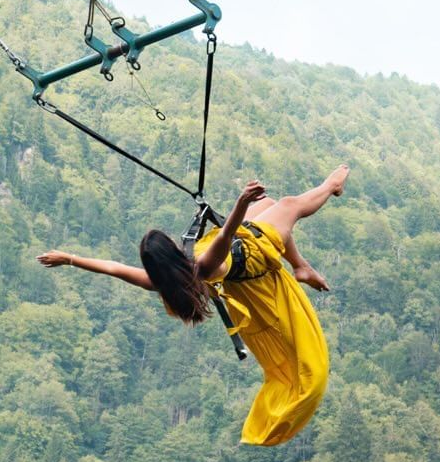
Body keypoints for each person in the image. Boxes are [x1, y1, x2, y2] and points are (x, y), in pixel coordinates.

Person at [40, 168, 348, 445]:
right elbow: (227, 234)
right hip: (253, 256)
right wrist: (241, 202)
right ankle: (329, 187)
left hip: (241, 252)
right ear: (172, 253)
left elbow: (113, 268)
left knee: (267, 204)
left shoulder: (159, 281)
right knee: (290, 206)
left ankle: (301, 266)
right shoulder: (204, 263)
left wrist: (69, 258)